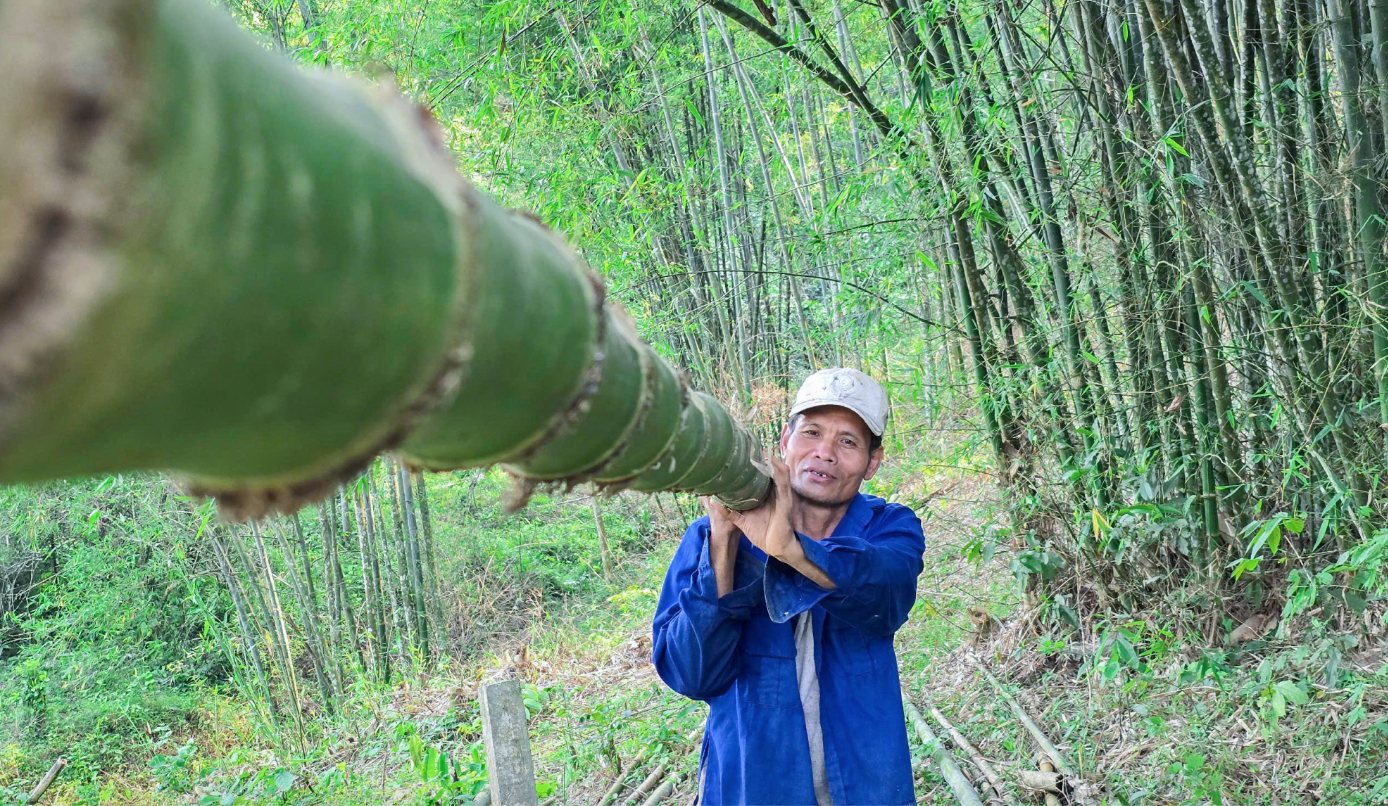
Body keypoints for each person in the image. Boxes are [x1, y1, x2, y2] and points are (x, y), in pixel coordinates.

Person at [652, 368, 926, 806]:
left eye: (848, 441)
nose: (825, 453)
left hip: (865, 784)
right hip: (752, 785)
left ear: (873, 462)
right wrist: (724, 541)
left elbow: (885, 596)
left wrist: (792, 552)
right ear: (785, 441)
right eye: (812, 432)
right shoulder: (707, 538)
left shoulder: (889, 527)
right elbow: (692, 676)